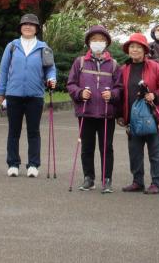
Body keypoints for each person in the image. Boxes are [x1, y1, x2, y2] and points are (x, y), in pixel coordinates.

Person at [0, 13, 57, 178]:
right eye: (25, 24)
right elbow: (3, 70)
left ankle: (33, 165)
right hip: (13, 94)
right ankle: (13, 164)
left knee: (33, 131)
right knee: (13, 131)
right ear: (20, 27)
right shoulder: (12, 46)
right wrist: (1, 92)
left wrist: (52, 78)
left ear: (36, 28)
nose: (28, 27)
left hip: (35, 95)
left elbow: (50, 68)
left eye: (31, 24)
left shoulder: (43, 47)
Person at [66, 25, 122, 193]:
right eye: (94, 40)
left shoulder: (113, 64)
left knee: (107, 148)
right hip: (86, 112)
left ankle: (107, 180)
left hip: (107, 113)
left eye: (101, 40)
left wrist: (111, 95)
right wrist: (80, 93)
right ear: (88, 42)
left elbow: (120, 88)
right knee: (87, 147)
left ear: (106, 43)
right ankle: (88, 178)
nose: (97, 42)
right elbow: (71, 84)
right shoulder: (80, 62)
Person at [118, 33, 159, 195]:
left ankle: (156, 183)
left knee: (155, 153)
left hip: (154, 118)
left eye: (138, 47)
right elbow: (121, 95)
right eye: (131, 47)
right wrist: (120, 115)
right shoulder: (124, 70)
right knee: (134, 153)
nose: (134, 50)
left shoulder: (155, 67)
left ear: (145, 50)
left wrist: (154, 95)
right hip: (133, 119)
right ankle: (137, 182)